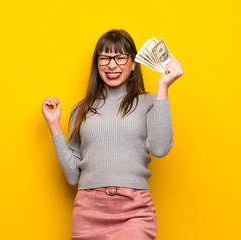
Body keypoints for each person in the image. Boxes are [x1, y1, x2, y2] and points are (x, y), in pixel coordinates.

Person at [41, 29, 183, 240]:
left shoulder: (149, 102)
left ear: (134, 63)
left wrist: (163, 89)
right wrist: (54, 126)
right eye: (105, 58)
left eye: (120, 57)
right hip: (88, 211)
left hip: (134, 210)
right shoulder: (81, 109)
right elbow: (73, 176)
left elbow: (160, 149)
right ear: (97, 64)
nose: (112, 65)